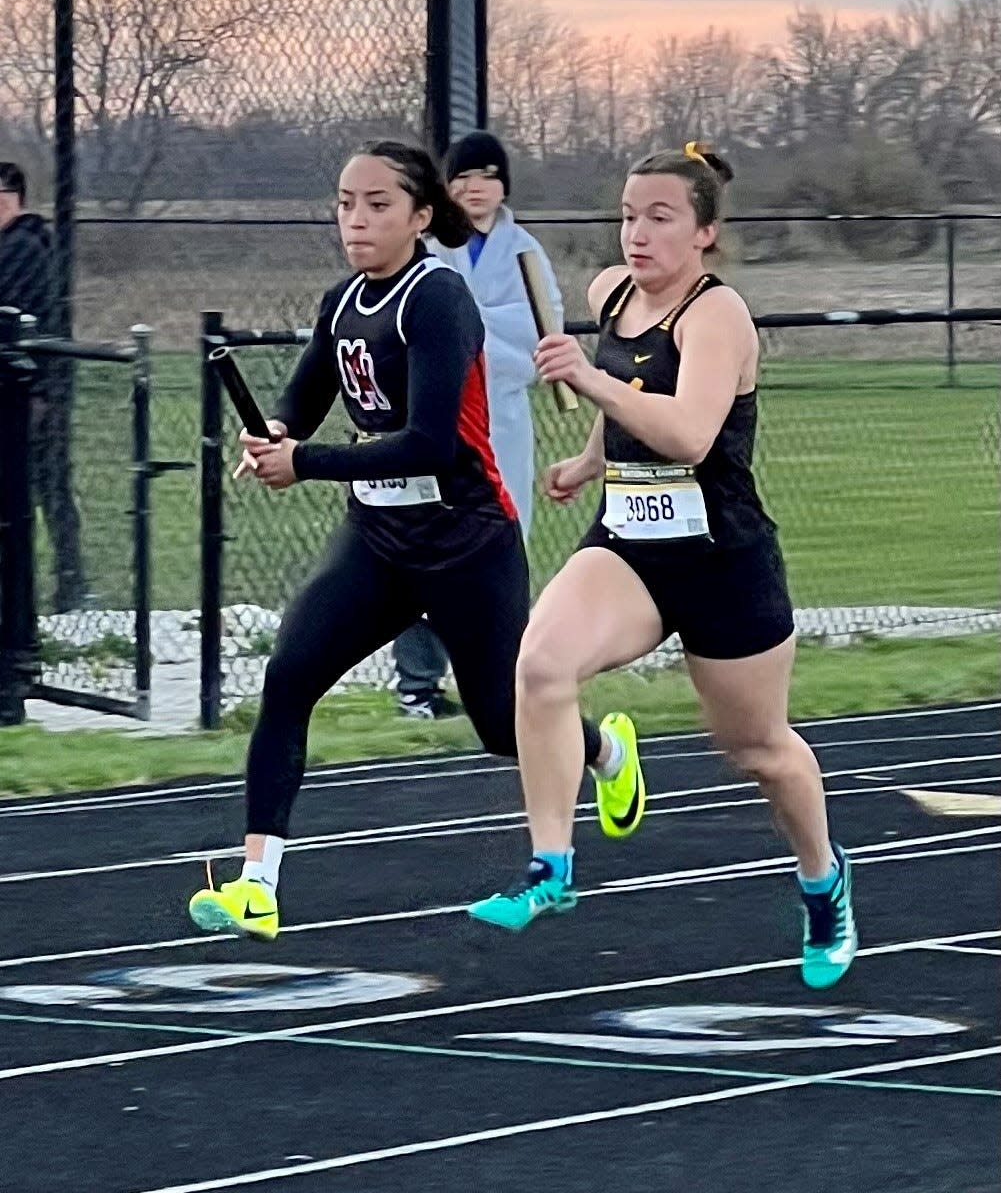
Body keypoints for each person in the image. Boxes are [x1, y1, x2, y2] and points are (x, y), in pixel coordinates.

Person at [186, 141, 626, 941]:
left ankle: (601, 751)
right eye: (345, 203)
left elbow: (429, 443)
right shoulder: (345, 298)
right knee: (287, 678)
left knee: (500, 722)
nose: (356, 219)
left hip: (465, 540)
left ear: (421, 216)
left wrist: (305, 463)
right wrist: (279, 431)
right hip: (378, 538)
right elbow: (310, 387)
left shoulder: (438, 300)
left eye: (377, 204)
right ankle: (257, 885)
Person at [468, 142, 858, 992]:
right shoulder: (611, 293)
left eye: (659, 218)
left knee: (753, 746)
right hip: (630, 546)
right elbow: (625, 399)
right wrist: (586, 462)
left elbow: (686, 433)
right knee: (538, 663)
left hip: (722, 559)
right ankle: (550, 865)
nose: (636, 235)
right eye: (626, 216)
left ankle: (822, 879)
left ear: (705, 232)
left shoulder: (718, 317)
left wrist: (588, 385)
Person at [392, 130, 562, 719]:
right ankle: (417, 684)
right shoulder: (425, 248)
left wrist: (467, 322)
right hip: (438, 418)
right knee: (421, 542)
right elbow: (412, 325)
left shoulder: (525, 252)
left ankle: (496, 682)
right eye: (463, 178)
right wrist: (468, 326)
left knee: (495, 549)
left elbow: (540, 332)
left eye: (487, 177)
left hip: (503, 421)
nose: (476, 189)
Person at [0, 162, 85, 612]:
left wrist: (42, 395)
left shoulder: (22, 248)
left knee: (44, 489)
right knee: (44, 490)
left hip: (32, 394)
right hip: (32, 391)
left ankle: (67, 584)